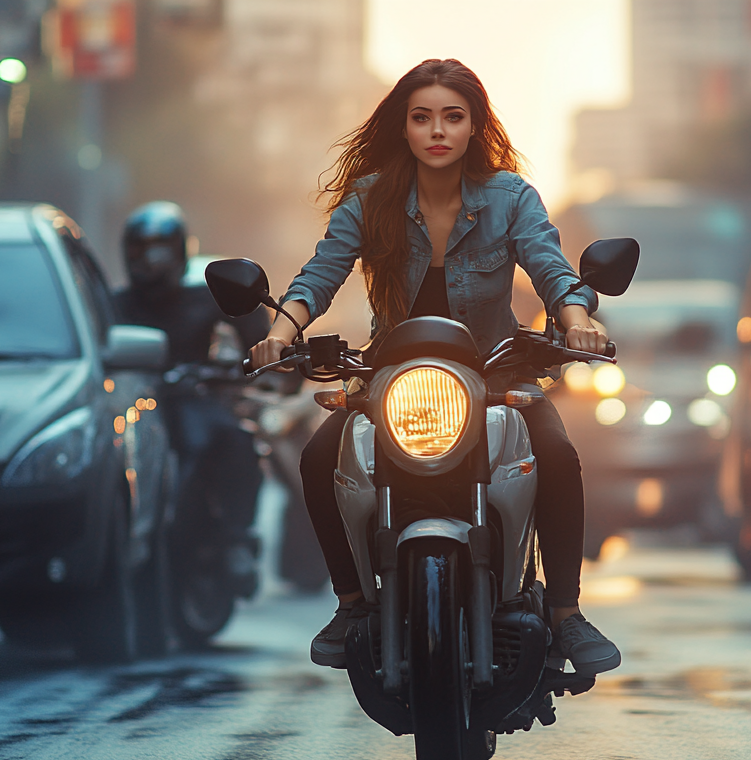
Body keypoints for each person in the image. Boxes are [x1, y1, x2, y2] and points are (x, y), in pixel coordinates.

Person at [248, 59, 622, 675]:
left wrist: (579, 320)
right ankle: (351, 604)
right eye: (422, 118)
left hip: (497, 375)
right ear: (404, 127)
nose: (438, 130)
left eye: (453, 116)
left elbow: (552, 269)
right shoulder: (370, 199)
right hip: (390, 379)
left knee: (557, 454)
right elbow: (320, 272)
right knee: (318, 459)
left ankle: (565, 615)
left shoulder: (511, 197)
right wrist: (280, 330)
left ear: (474, 126)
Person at [115, 201, 271, 596]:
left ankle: (236, 538)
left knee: (236, 438)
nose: (150, 261)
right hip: (133, 402)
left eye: (160, 249)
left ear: (180, 249)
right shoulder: (115, 303)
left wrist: (252, 360)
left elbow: (254, 336)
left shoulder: (204, 293)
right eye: (140, 250)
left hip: (192, 395)